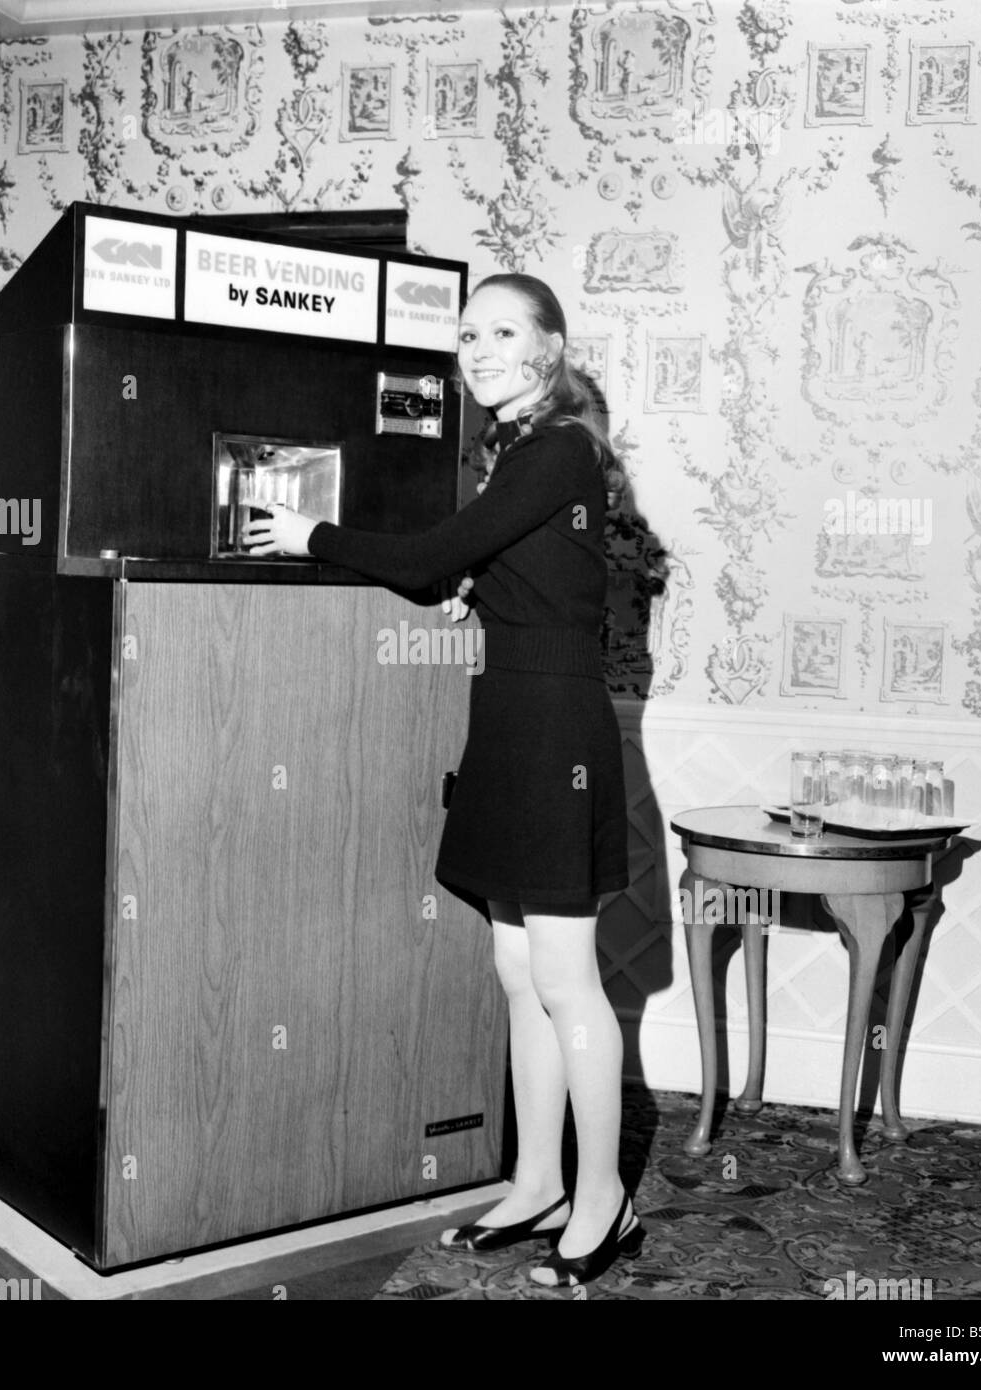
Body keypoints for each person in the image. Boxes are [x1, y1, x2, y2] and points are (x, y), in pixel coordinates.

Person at [245, 273, 640, 1288]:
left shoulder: (556, 449)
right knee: (518, 975)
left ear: (549, 346)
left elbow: (427, 559)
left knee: (565, 978)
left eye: (503, 331)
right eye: (468, 333)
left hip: (554, 729)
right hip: (509, 718)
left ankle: (607, 1200)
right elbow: (521, 567)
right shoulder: (525, 452)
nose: (478, 348)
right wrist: (489, 584)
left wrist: (310, 535)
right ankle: (539, 1179)